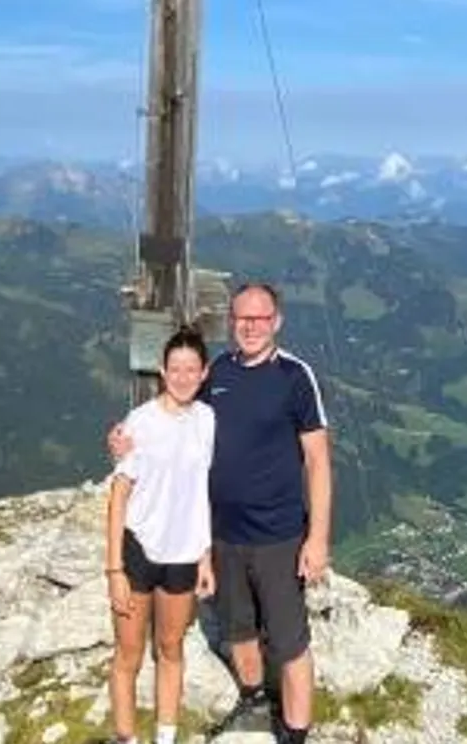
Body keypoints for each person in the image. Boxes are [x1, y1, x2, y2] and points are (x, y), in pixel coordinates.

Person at [109, 282, 332, 744]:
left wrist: (317, 538)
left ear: (277, 322)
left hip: (278, 535)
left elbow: (318, 460)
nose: (250, 327)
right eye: (242, 318)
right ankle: (253, 702)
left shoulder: (294, 376)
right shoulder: (219, 373)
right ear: (232, 322)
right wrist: (123, 440)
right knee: (239, 628)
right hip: (224, 535)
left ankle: (295, 733)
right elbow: (177, 410)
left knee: (289, 640)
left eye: (260, 318)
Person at [105, 326, 219, 744]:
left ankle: (165, 738)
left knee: (171, 649)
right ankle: (126, 738)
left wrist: (205, 556)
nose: (183, 377)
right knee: (129, 654)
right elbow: (119, 496)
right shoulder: (141, 421)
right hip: (139, 549)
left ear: (204, 372)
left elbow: (202, 491)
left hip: (184, 555)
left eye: (191, 369)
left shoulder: (207, 420)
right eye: (175, 369)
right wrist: (114, 569)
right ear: (162, 371)